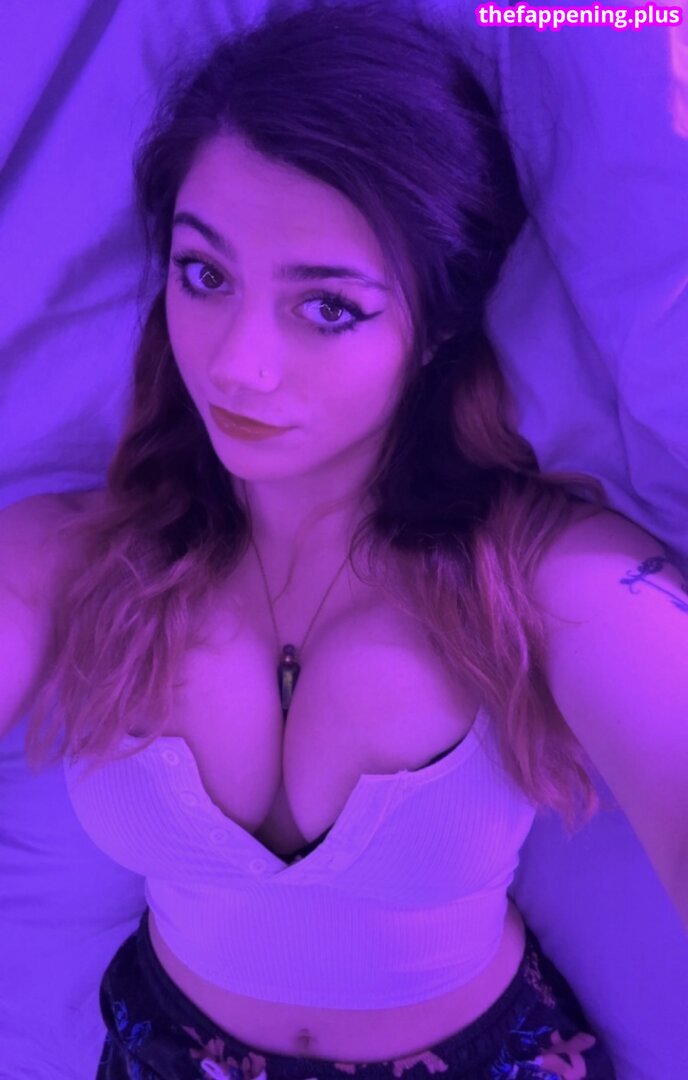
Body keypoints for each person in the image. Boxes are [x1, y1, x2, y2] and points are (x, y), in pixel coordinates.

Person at [2, 1, 686, 1076]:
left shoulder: (545, 575)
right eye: (205, 275)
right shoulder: (73, 558)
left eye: (326, 309)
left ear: (436, 326)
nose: (237, 365)